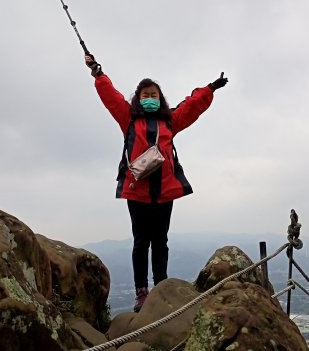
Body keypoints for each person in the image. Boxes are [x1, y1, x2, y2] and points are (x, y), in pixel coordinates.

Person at [85, 54, 227, 312]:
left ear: (160, 99)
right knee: (141, 242)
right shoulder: (128, 118)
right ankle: (141, 293)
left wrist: (209, 89)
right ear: (138, 98)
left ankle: (160, 286)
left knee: (160, 241)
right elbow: (111, 97)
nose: (150, 99)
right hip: (137, 190)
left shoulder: (169, 121)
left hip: (164, 191)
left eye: (154, 95)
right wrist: (98, 74)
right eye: (145, 95)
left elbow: (191, 107)